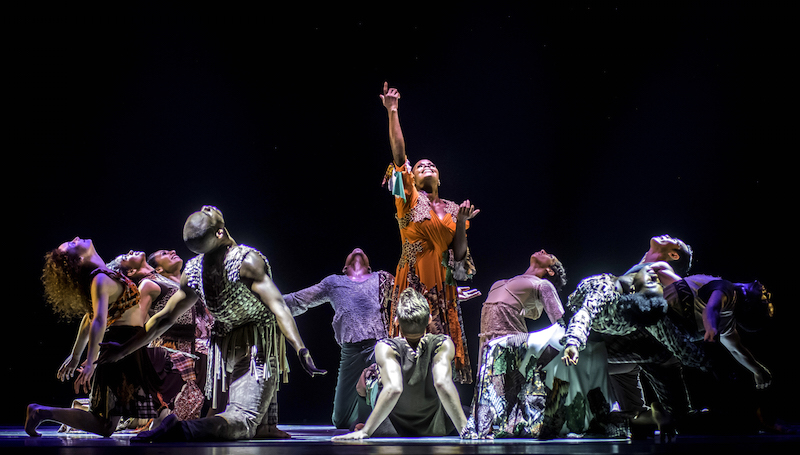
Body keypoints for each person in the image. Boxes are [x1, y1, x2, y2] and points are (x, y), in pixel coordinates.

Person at [97, 206, 326, 442]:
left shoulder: (194, 270)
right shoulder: (245, 262)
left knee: (302, 299)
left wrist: (122, 350)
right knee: (242, 420)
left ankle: (266, 425)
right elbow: (278, 307)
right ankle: (181, 429)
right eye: (208, 214)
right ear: (219, 233)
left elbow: (163, 319)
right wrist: (301, 348)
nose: (206, 207)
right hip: (255, 340)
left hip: (228, 338)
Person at [471, 265, 667, 439]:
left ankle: (649, 417)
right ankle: (649, 418)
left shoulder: (605, 288)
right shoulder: (634, 306)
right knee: (590, 414)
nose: (653, 275)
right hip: (591, 351)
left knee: (584, 411)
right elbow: (647, 265)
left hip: (569, 345)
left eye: (652, 281)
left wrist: (572, 342)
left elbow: (577, 316)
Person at [379, 82, 479, 384]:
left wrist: (461, 223)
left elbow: (459, 258)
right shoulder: (407, 196)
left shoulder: (452, 209)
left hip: (442, 281)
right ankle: (403, 401)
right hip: (413, 277)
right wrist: (392, 111)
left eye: (431, 165)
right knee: (410, 339)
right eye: (419, 165)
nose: (425, 167)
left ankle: (439, 406)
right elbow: (399, 156)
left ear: (439, 177)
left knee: (441, 345)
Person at [25, 237, 162, 437]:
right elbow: (97, 320)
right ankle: (40, 411)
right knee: (108, 422)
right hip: (120, 343)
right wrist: (89, 362)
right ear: (79, 260)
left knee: (107, 424)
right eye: (71, 245)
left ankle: (41, 412)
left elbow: (88, 318)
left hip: (128, 343)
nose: (75, 239)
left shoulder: (105, 274)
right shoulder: (99, 279)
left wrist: (75, 355)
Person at [332, 288, 474, 440]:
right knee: (466, 411)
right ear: (429, 319)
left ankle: (362, 423)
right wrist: (465, 430)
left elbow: (393, 388)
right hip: (436, 428)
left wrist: (366, 431)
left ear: (396, 321)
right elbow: (442, 383)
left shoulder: (385, 346)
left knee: (366, 377)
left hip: (392, 430)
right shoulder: (443, 343)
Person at [282, 248, 395, 429]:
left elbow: (408, 295)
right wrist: (269, 301)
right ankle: (365, 420)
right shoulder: (334, 282)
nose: (358, 250)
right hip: (350, 352)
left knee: (374, 384)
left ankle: (370, 422)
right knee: (340, 420)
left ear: (370, 267)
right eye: (352, 251)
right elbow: (299, 299)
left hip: (378, 346)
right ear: (344, 268)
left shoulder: (382, 279)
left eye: (363, 252)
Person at [109, 250, 210, 422]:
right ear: (159, 269)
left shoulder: (188, 283)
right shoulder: (149, 284)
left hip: (196, 344)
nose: (172, 251)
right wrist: (121, 349)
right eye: (164, 253)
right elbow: (137, 324)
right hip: (172, 347)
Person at [651, 265, 773, 389]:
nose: (768, 293)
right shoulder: (724, 293)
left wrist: (757, 370)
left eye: (766, 300)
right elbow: (712, 308)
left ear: (749, 306)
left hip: (661, 324)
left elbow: (736, 350)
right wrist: (711, 328)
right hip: (660, 323)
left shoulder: (728, 297)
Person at [477, 249, 567, 365]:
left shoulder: (542, 284)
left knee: (508, 380)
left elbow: (559, 323)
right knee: (487, 381)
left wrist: (568, 347)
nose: (542, 250)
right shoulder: (501, 282)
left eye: (549, 256)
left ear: (550, 270)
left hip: (510, 344)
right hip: (487, 344)